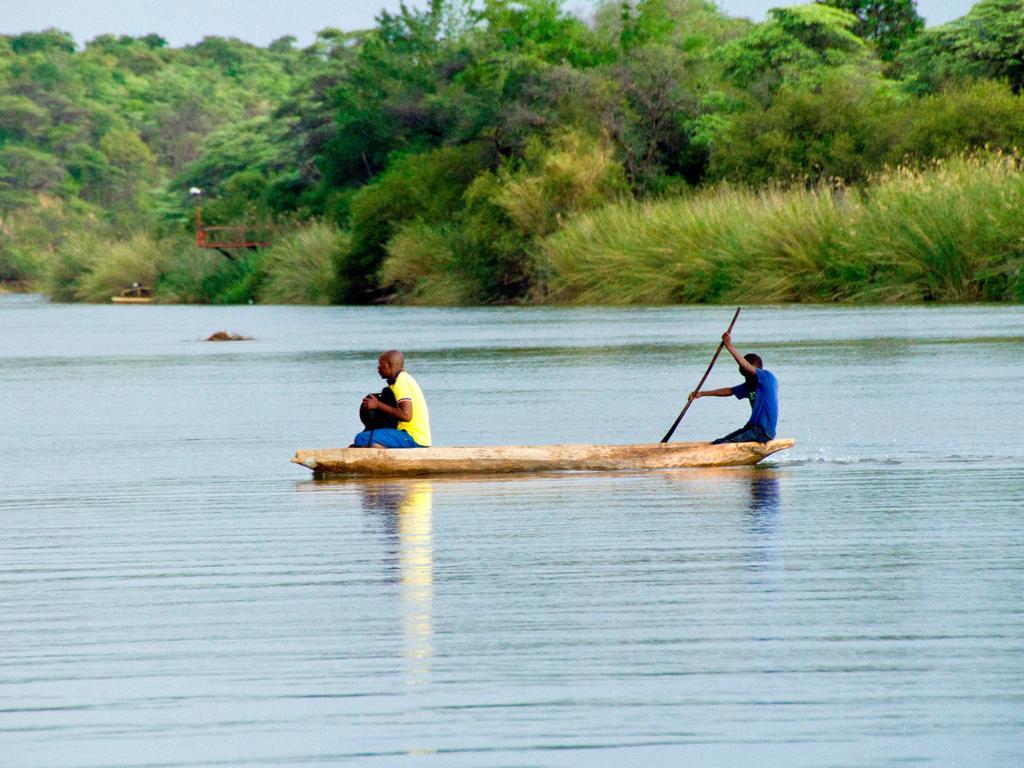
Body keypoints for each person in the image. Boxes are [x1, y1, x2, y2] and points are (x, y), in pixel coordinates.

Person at [688, 332, 778, 444]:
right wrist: (701, 394)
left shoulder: (766, 377)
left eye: (747, 374)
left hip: (763, 431)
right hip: (752, 428)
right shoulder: (751, 385)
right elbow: (729, 391)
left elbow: (746, 366)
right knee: (718, 442)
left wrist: (729, 346)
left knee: (723, 445)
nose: (746, 378)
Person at [351, 350, 432, 448]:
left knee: (362, 438)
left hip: (413, 438)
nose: (378, 368)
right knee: (362, 439)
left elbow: (406, 416)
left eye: (380, 365)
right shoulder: (398, 382)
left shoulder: (401, 383)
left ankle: (388, 454)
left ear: (389, 365)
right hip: (407, 435)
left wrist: (377, 405)